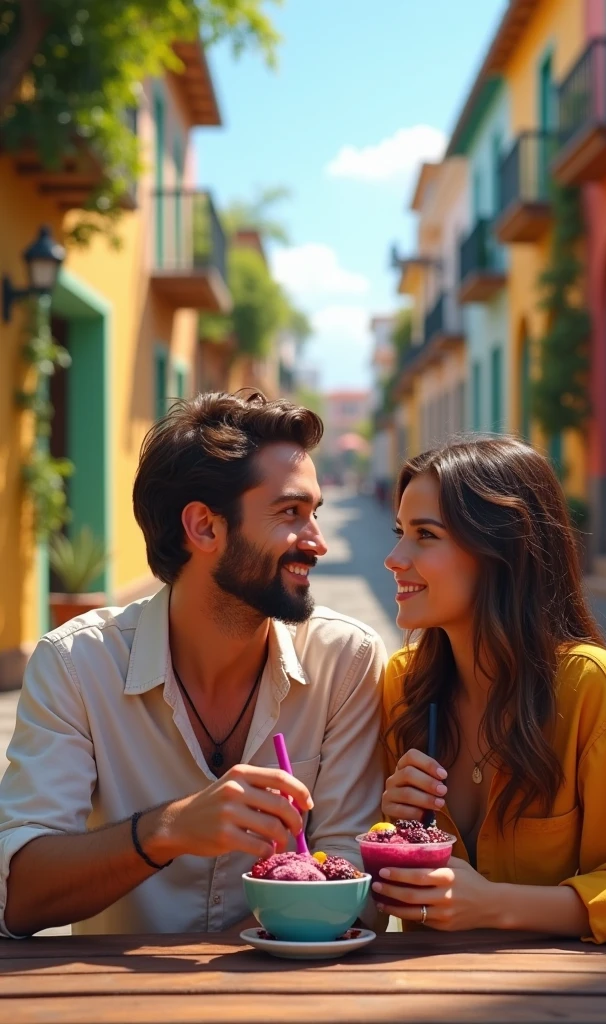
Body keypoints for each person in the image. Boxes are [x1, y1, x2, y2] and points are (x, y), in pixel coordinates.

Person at [0, 391, 386, 937]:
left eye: (315, 513)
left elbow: (357, 888)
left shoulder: (346, 663)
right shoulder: (77, 665)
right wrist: (166, 829)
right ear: (204, 527)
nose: (318, 542)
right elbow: (17, 896)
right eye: (290, 513)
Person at [376, 437, 606, 943]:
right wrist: (390, 828)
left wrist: (492, 905)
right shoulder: (401, 685)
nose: (394, 557)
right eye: (399, 533)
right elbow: (367, 883)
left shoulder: (593, 690)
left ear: (500, 551)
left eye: (424, 535)